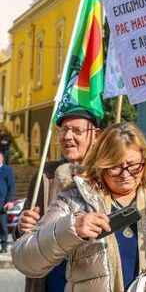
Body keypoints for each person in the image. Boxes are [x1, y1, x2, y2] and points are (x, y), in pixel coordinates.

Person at [12, 122, 146, 290]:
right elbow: (24, 258)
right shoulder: (74, 200)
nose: (125, 174)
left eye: (133, 165)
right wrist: (71, 228)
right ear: (100, 166)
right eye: (115, 167)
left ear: (145, 160)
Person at [17, 109, 102, 292]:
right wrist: (22, 225)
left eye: (77, 130)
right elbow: (23, 237)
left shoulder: (107, 175)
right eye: (64, 130)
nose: (68, 136)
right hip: (50, 282)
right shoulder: (45, 175)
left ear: (96, 135)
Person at [0, 150, 15, 253]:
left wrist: (10, 201)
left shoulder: (7, 170)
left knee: (2, 224)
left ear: (2, 159)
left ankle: (4, 245)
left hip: (2, 202)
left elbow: (11, 186)